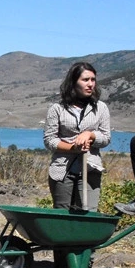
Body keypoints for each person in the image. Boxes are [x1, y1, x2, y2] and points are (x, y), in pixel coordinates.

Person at [43, 62, 112, 212]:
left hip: (90, 169)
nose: (90, 84)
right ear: (74, 82)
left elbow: (106, 137)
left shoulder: (101, 108)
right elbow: (50, 140)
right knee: (62, 214)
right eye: (85, 80)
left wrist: (91, 135)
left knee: (88, 212)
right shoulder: (57, 109)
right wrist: (73, 148)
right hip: (62, 170)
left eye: (93, 80)